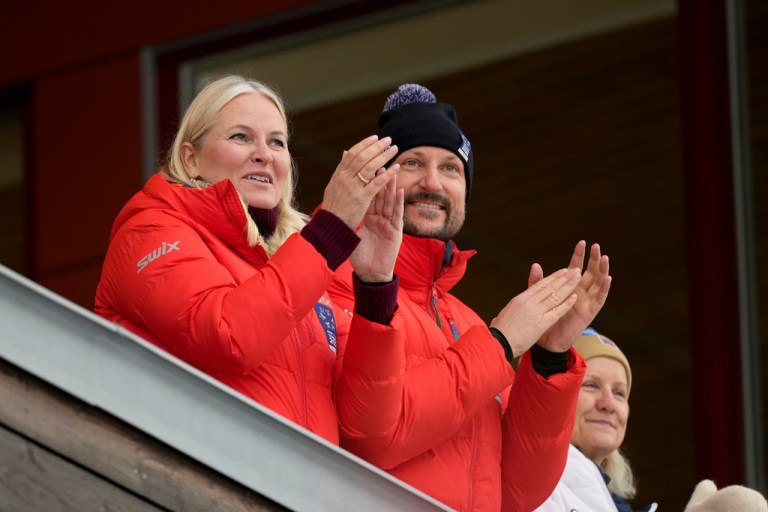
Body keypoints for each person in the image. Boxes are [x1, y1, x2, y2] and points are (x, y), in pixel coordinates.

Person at [329, 83, 613, 511]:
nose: (432, 183)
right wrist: (499, 344)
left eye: (451, 169)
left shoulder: (468, 322)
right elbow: (375, 438)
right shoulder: (342, 280)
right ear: (378, 178)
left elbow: (518, 492)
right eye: (412, 163)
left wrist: (550, 356)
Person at [94, 75, 406, 443]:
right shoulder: (150, 231)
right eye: (241, 137)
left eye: (276, 142)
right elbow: (229, 336)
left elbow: (369, 429)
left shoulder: (296, 257)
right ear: (189, 158)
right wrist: (329, 230)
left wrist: (374, 286)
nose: (264, 153)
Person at [535, 328, 658, 512]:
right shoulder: (530, 489)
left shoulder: (617, 505)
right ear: (551, 397)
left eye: (619, 393)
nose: (608, 404)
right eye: (591, 385)